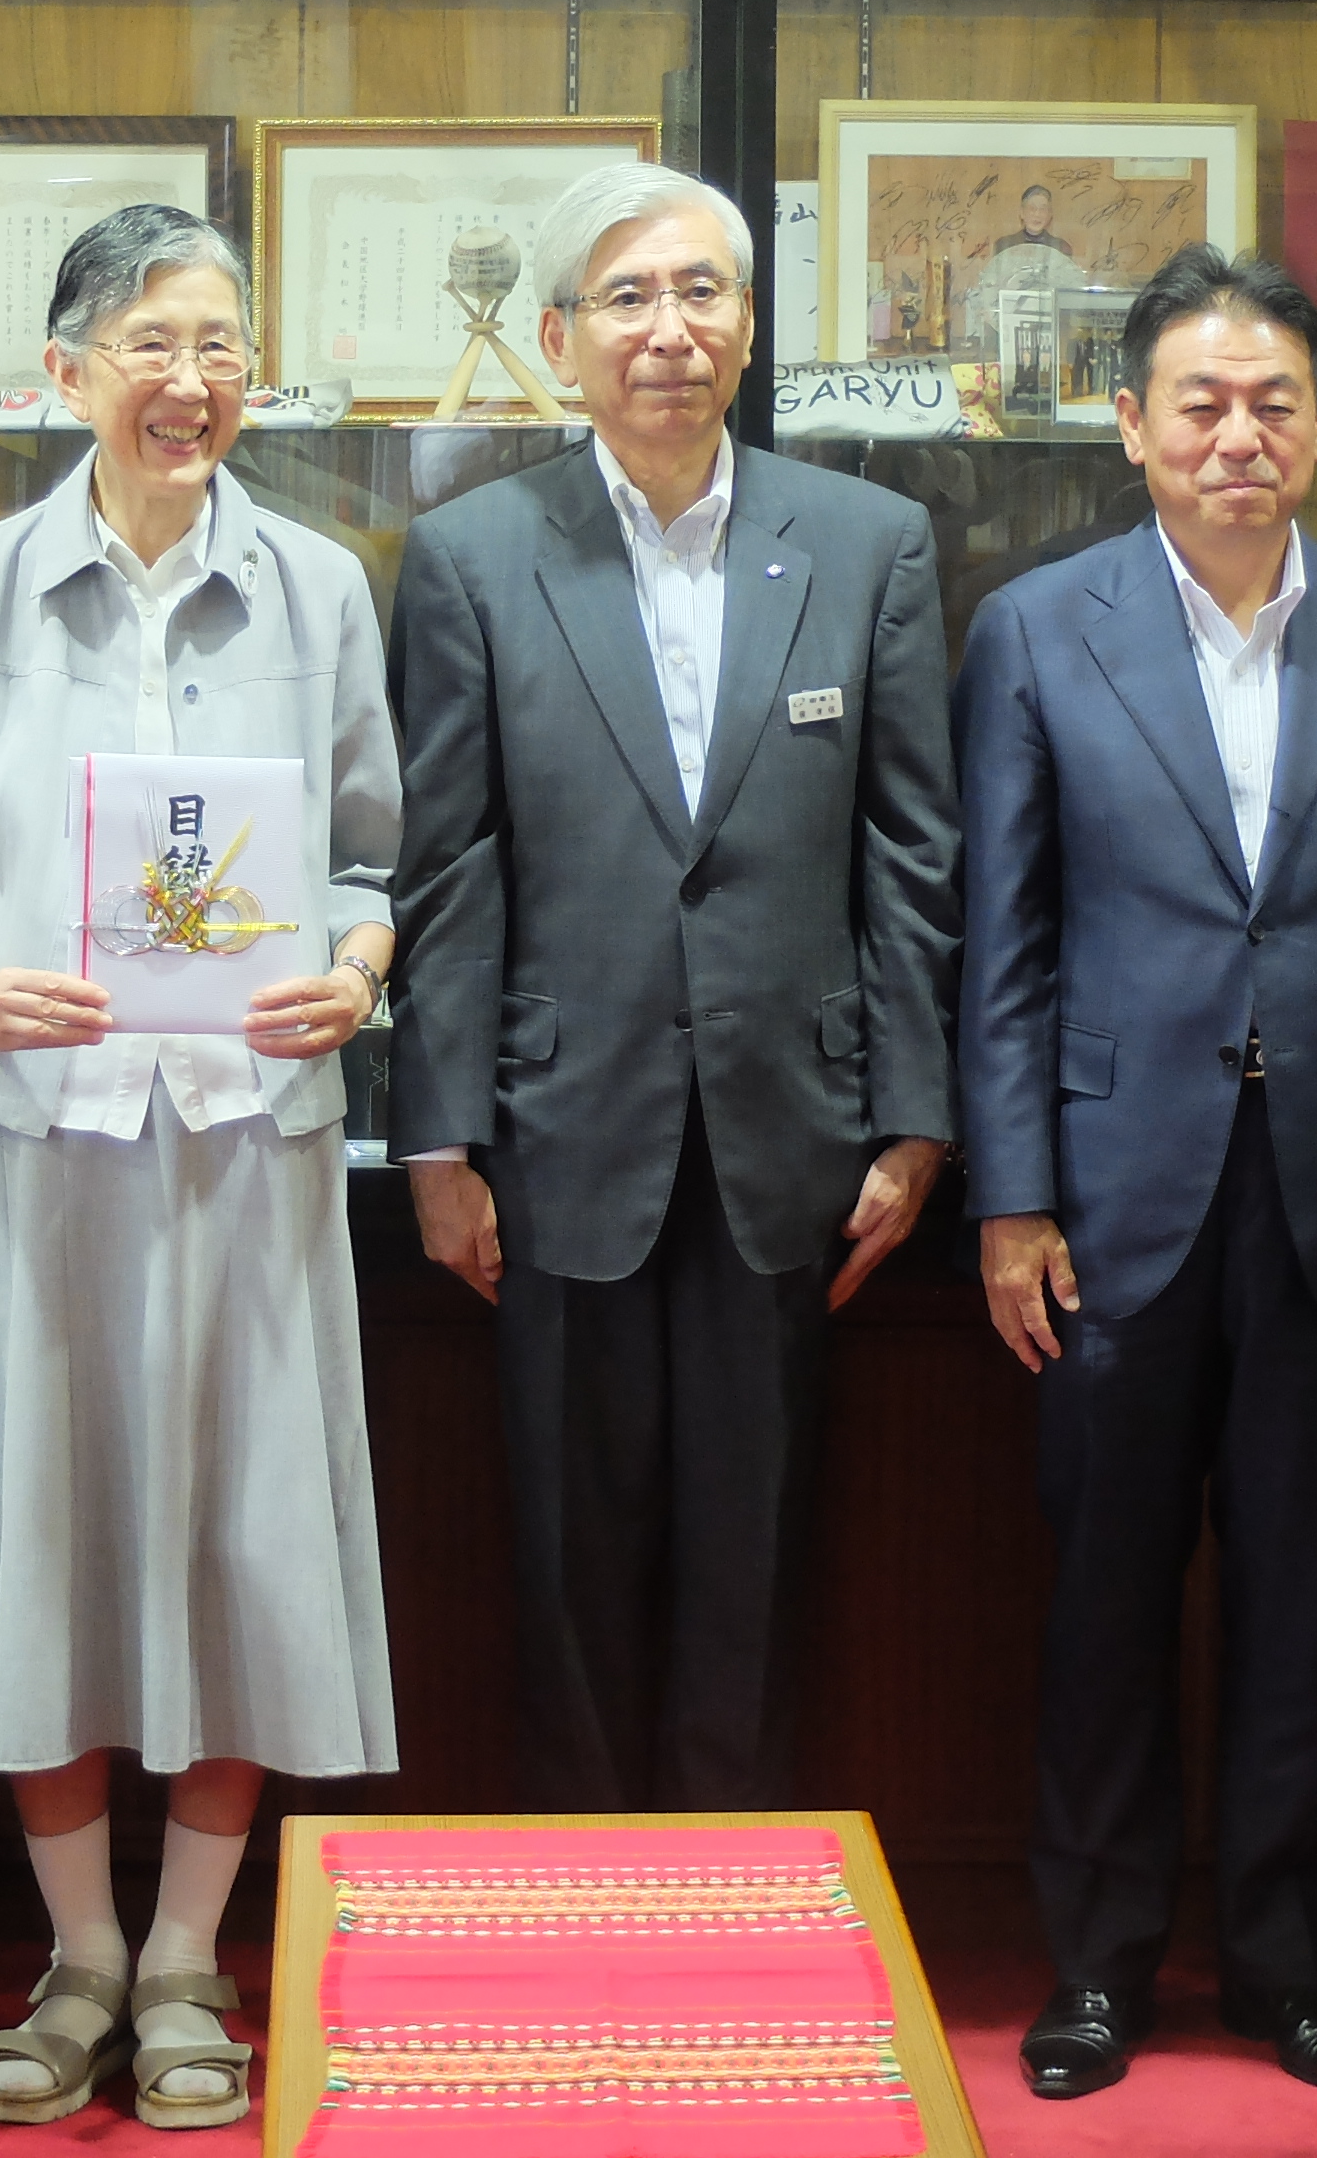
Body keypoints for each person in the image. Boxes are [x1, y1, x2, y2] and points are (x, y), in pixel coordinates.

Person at [0, 203, 397, 2130]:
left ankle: (186, 1957)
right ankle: (79, 1951)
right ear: (65, 373)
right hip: (29, 1145)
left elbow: (370, 861)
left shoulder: (321, 589)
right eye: (151, 345)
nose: (191, 381)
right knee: (48, 1532)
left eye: (221, 346)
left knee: (246, 1536)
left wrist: (353, 971)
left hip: (246, 1142)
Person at [956, 246, 1317, 2105]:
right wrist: (1010, 1196)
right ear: (1130, 425)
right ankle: (1098, 1964)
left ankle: (1289, 1966)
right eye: (1199, 403)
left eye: (1275, 402)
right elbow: (1004, 941)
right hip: (1108, 1192)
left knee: (1306, 1589)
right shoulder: (1039, 629)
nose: (1238, 436)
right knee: (1105, 1591)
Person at [389, 159, 960, 1810]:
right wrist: (439, 1139)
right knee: (568, 1568)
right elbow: (448, 864)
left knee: (757, 1567)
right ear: (560, 340)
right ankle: (586, 1896)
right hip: (556, 1129)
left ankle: (738, 1895)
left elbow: (913, 852)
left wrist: (915, 1117)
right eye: (629, 298)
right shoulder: (474, 555)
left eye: (702, 292)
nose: (669, 331)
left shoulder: (865, 544)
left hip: (796, 1136)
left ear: (750, 326)